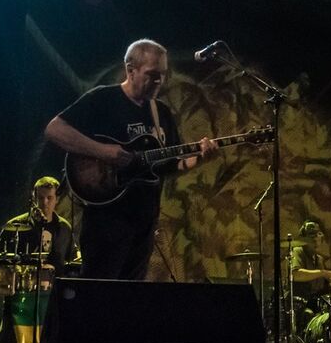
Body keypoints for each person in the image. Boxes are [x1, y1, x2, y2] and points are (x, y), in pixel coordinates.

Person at [44, 39, 218, 280]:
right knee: (100, 292)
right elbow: (54, 129)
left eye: (163, 74)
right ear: (130, 70)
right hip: (107, 220)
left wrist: (199, 160)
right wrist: (102, 151)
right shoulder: (103, 99)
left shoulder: (161, 113)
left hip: (144, 221)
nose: (159, 81)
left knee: (130, 294)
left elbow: (170, 164)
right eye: (152, 74)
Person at [0, 176, 77, 343]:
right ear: (33, 197)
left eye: (49, 198)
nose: (44, 203)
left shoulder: (64, 228)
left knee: (47, 342)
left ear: (56, 199)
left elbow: (71, 260)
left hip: (51, 298)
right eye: (40, 198)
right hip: (20, 295)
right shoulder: (15, 226)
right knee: (13, 342)